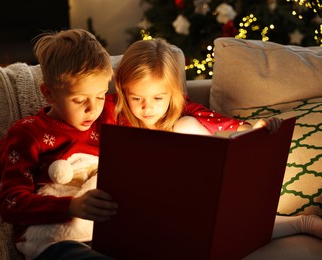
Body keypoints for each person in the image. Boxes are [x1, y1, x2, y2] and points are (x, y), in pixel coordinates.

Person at [112, 38, 322, 240]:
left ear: (172, 93)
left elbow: (226, 125)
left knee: (185, 125)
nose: (147, 107)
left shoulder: (182, 109)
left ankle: (301, 223)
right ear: (124, 92)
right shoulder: (116, 116)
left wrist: (255, 129)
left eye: (158, 98)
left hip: (199, 192)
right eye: (137, 98)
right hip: (157, 205)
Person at [0, 29, 118, 260]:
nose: (92, 109)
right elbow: (10, 203)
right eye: (79, 99)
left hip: (106, 230)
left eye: (100, 95)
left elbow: (163, 98)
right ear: (49, 94)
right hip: (53, 241)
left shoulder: (107, 114)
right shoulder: (28, 134)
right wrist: (71, 207)